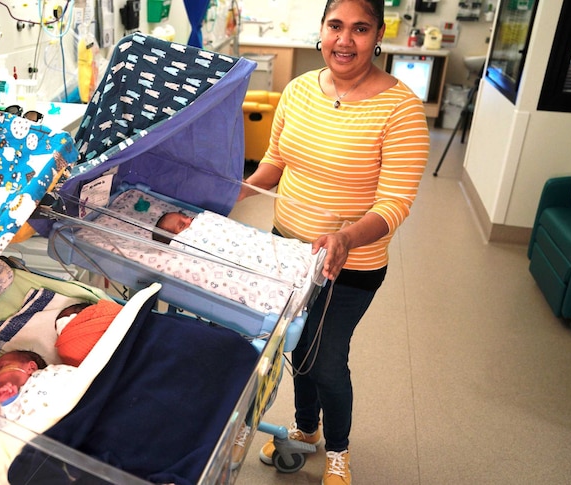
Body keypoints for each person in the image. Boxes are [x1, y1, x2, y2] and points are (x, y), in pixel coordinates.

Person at [237, 1, 430, 483]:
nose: (345, 40)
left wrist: (344, 237)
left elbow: (394, 206)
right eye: (336, 26)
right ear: (322, 30)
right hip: (288, 248)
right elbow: (275, 162)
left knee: (326, 360)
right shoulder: (299, 90)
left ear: (378, 33)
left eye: (360, 29)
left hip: (352, 263)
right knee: (298, 350)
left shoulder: (401, 109)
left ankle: (339, 450)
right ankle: (306, 430)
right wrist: (234, 189)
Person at [153, 210, 320, 284]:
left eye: (186, 217)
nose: (190, 221)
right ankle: (293, 272)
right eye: (182, 226)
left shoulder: (204, 221)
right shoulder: (183, 244)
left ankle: (299, 258)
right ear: (174, 238)